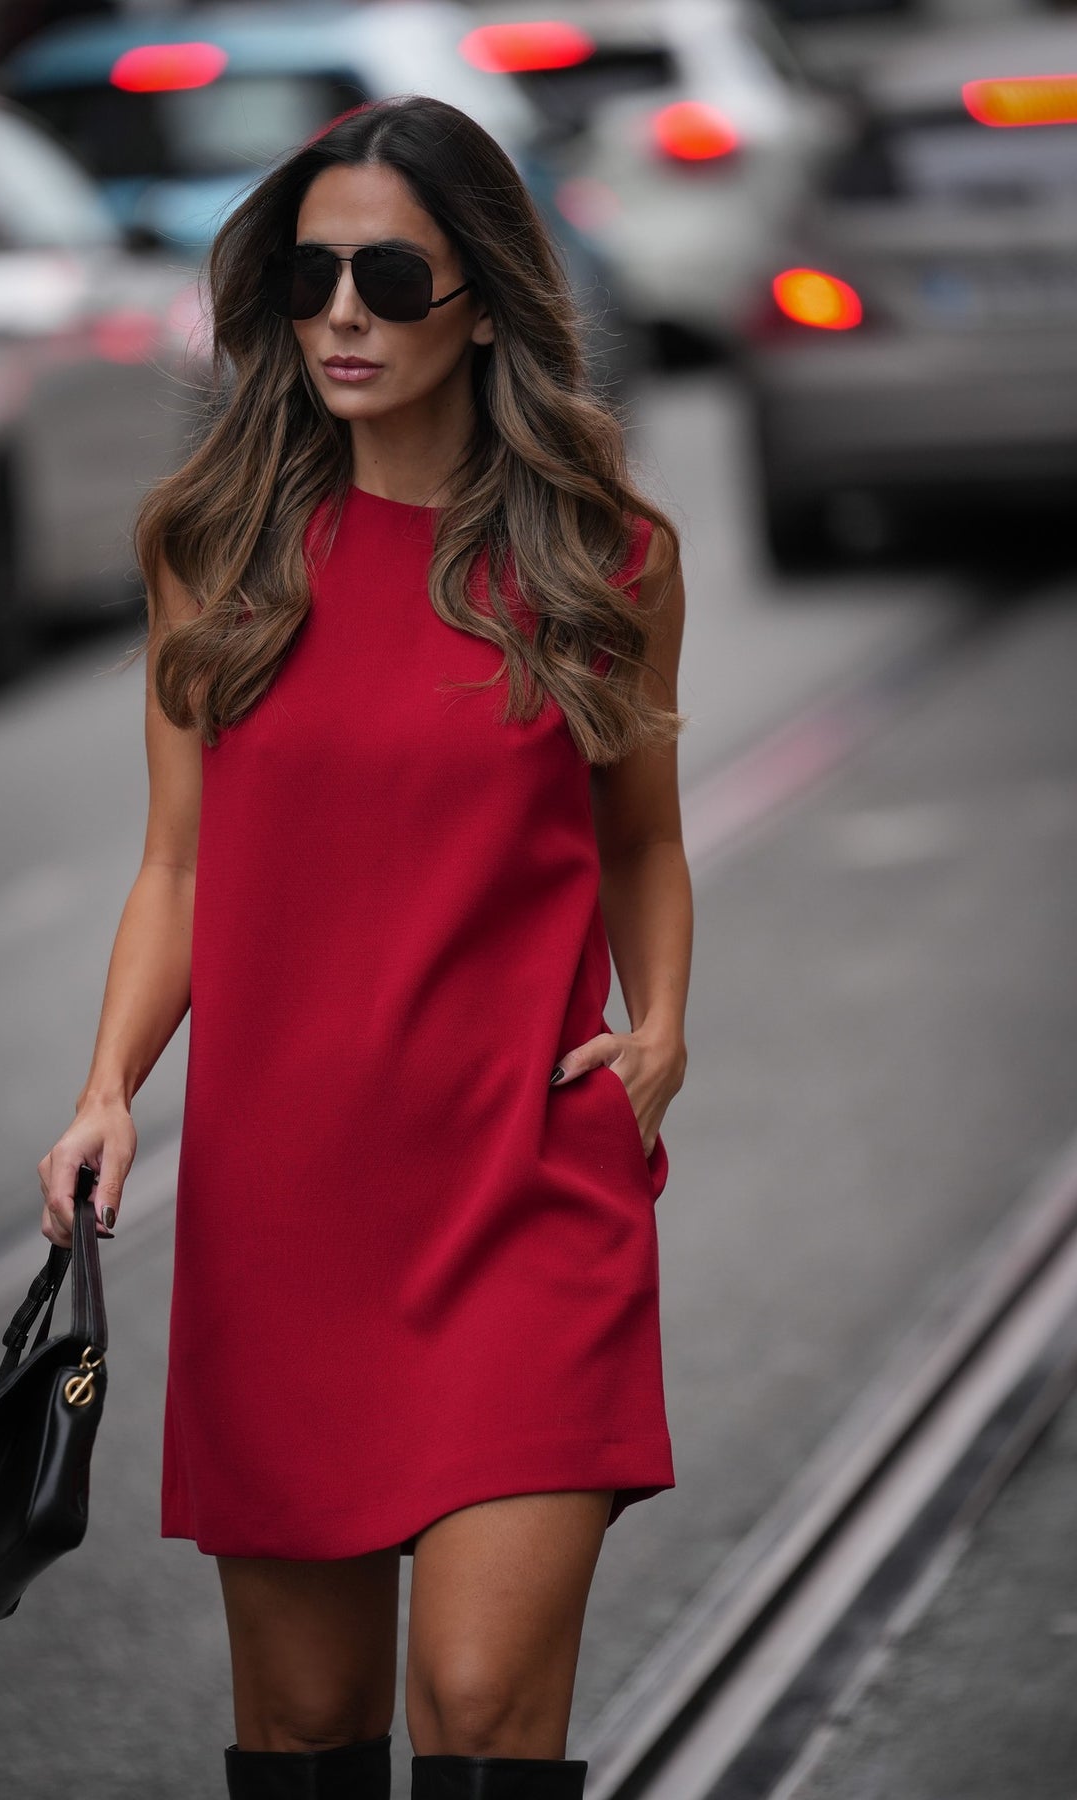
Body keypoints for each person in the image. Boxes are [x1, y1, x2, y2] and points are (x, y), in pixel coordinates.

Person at [36, 94, 692, 1800]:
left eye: (390, 277)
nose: (342, 313)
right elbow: (177, 867)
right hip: (286, 1216)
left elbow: (641, 840)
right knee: (309, 1735)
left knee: (480, 1708)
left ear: (480, 295)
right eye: (313, 275)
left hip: (524, 1186)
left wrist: (663, 1031)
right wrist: (108, 1088)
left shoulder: (606, 557)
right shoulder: (216, 552)